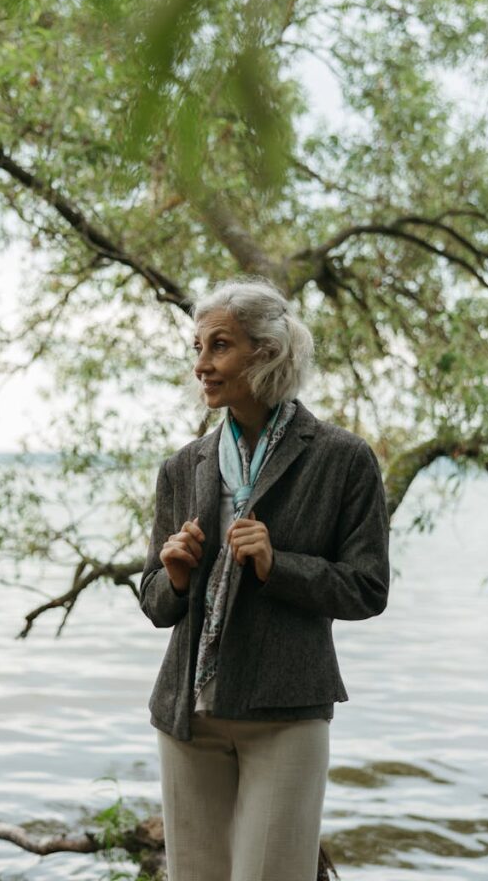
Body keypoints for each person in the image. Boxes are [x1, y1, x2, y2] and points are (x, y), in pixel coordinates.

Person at [138, 277, 390, 881]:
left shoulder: (343, 458)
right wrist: (172, 577)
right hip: (187, 716)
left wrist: (280, 565)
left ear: (268, 351)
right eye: (197, 347)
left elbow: (366, 589)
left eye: (219, 346)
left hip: (285, 713)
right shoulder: (183, 466)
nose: (201, 364)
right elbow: (154, 602)